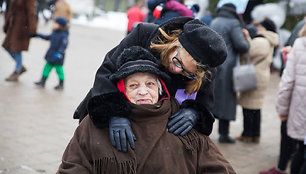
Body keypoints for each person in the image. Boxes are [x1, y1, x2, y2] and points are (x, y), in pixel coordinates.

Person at [58, 46, 236, 174]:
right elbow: (73, 167)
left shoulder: (181, 121)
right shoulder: (95, 124)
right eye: (133, 85)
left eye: (150, 84)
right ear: (121, 90)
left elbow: (218, 168)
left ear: (160, 89)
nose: (142, 91)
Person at [73, 16, 227, 152]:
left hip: (155, 132)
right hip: (112, 113)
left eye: (186, 72)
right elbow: (106, 72)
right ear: (175, 43)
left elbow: (205, 105)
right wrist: (114, 112)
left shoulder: (205, 68)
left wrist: (195, 113)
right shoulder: (143, 34)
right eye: (177, 60)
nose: (175, 69)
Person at [209, 3, 250, 143]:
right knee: (226, 100)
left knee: (212, 98)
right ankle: (223, 134)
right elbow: (241, 46)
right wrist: (247, 39)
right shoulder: (233, 23)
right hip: (228, 66)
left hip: (214, 64)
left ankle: (205, 131)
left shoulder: (214, 21)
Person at [236, 18, 279, 143]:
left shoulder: (261, 40)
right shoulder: (271, 40)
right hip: (262, 74)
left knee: (248, 106)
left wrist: (247, 38)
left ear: (264, 27)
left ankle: (248, 134)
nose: (258, 28)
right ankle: (255, 134)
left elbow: (248, 52)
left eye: (259, 26)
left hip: (254, 76)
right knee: (256, 106)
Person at [274, 24, 306, 174]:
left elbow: (287, 83)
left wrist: (282, 109)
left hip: (301, 108)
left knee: (301, 150)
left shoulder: (300, 44)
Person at [2, 0, 37, 81]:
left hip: (22, 28)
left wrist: (33, 29)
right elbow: (10, 11)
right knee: (6, 46)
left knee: (17, 49)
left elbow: (31, 13)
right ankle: (20, 66)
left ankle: (17, 70)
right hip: (13, 27)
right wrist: (6, 25)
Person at [33, 16, 69, 90]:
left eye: (56, 24)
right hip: (51, 54)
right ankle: (42, 81)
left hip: (58, 56)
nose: (54, 25)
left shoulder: (64, 35)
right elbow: (47, 37)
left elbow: (64, 45)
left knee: (59, 70)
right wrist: (38, 35)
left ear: (60, 25)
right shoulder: (54, 33)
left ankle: (61, 83)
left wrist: (60, 53)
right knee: (46, 68)